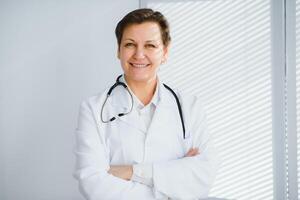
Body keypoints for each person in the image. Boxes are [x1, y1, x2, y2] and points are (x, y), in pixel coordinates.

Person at [73, 8, 219, 200]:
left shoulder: (190, 107)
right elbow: (93, 184)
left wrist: (131, 172)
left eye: (150, 45)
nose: (139, 54)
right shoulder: (94, 109)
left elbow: (203, 177)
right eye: (130, 44)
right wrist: (173, 182)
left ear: (165, 52)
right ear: (118, 50)